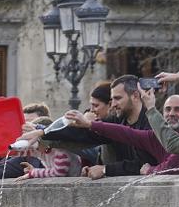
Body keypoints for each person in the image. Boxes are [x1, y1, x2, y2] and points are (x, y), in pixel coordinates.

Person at [24, 75, 157, 179]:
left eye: (117, 98)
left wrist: (105, 169)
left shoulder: (151, 122)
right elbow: (85, 135)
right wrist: (42, 131)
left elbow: (145, 164)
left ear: (135, 96)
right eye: (112, 99)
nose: (113, 104)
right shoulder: (118, 119)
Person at [66, 94, 179, 174]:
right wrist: (90, 124)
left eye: (177, 109)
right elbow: (127, 133)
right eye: (167, 109)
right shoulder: (159, 135)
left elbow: (169, 168)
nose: (171, 114)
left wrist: (150, 169)